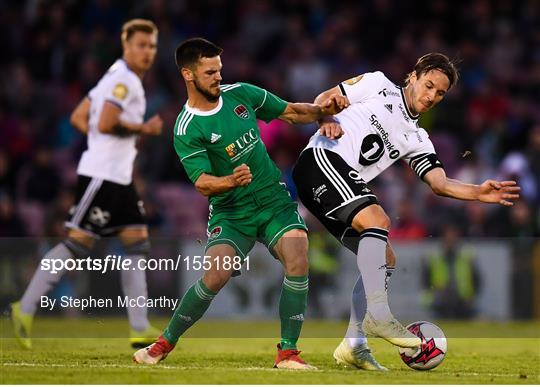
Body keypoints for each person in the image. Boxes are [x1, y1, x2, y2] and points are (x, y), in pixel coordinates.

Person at [292, 53, 520, 370]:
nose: (431, 97)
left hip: (334, 187)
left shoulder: (418, 138)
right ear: (413, 76)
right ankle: (379, 315)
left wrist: (477, 193)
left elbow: (439, 183)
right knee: (379, 219)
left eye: (440, 93)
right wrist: (325, 118)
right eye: (428, 85)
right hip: (321, 161)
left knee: (386, 258)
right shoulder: (377, 84)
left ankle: (354, 344)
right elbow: (326, 98)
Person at [133, 37, 348, 370]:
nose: (219, 77)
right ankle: (162, 344)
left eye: (219, 70)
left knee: (298, 254)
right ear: (188, 75)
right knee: (215, 276)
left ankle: (287, 353)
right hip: (232, 212)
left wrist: (323, 112)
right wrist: (230, 181)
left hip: (273, 200)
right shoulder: (186, 128)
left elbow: (290, 112)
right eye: (209, 72)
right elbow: (203, 182)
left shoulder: (242, 94)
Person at [10, 19, 163, 349]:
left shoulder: (112, 76)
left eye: (152, 45)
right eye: (141, 45)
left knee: (137, 242)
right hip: (103, 175)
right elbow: (105, 122)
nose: (148, 52)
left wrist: (102, 136)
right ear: (126, 46)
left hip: (118, 177)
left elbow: (80, 117)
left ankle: (139, 327)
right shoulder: (125, 81)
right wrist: (142, 129)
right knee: (77, 244)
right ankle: (23, 307)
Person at [421, 223, 481, 319]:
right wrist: (433, 294)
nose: (451, 239)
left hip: (463, 301)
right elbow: (425, 280)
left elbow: (477, 278)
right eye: (448, 236)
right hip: (440, 301)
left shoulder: (466, 255)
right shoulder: (434, 256)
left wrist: (472, 296)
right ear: (443, 238)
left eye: (453, 236)